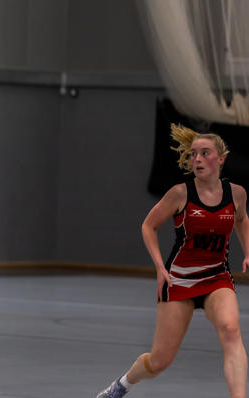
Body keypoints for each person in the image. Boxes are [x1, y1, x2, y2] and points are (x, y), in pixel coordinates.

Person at [96, 124, 249, 398]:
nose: (197, 159)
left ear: (221, 159)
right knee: (160, 361)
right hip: (179, 280)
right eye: (194, 154)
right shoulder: (180, 194)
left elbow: (242, 220)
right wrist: (159, 267)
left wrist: (248, 251)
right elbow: (148, 226)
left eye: (205, 153)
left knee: (230, 330)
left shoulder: (236, 194)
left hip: (217, 277)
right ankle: (122, 384)